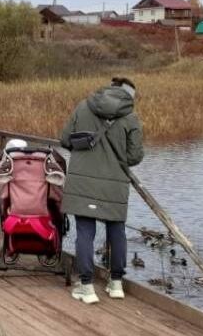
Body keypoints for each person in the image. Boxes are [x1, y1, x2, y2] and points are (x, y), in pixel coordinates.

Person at [59, 76, 144, 304]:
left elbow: (65, 139)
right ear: (129, 95)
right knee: (117, 231)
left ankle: (86, 287)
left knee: (85, 232)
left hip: (83, 181)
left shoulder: (84, 106)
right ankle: (116, 283)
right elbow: (135, 155)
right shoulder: (131, 116)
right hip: (115, 183)